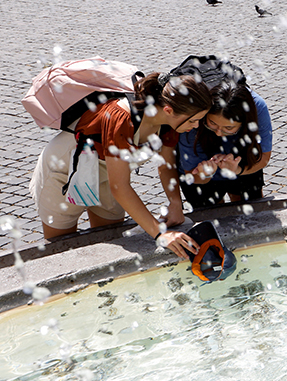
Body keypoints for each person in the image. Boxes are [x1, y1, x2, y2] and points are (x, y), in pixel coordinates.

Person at [30, 72, 212, 258]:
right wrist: (161, 233)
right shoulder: (121, 117)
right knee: (62, 251)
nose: (196, 126)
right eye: (192, 120)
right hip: (64, 172)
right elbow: (120, 187)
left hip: (107, 175)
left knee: (111, 241)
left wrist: (175, 203)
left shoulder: (169, 123)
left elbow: (165, 166)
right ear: (168, 110)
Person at [176, 63, 273, 212]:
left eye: (229, 128)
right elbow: (190, 174)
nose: (219, 133)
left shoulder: (257, 107)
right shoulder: (194, 116)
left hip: (243, 164)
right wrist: (205, 174)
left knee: (251, 215)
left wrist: (238, 170)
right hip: (202, 176)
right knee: (212, 217)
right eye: (212, 124)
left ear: (245, 121)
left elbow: (264, 157)